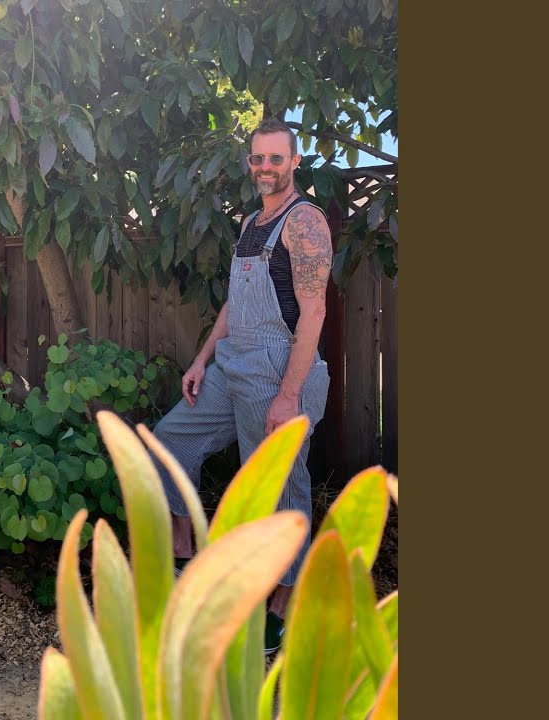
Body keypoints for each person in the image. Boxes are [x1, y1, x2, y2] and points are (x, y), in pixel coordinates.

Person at [150, 117, 332, 654]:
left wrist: (288, 395)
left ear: (294, 162)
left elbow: (314, 312)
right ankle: (184, 559)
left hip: (277, 373)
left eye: (276, 158)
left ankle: (280, 605)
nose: (266, 167)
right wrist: (202, 358)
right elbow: (236, 300)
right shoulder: (252, 222)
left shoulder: (304, 222)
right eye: (258, 158)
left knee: (278, 489)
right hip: (232, 368)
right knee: (168, 442)